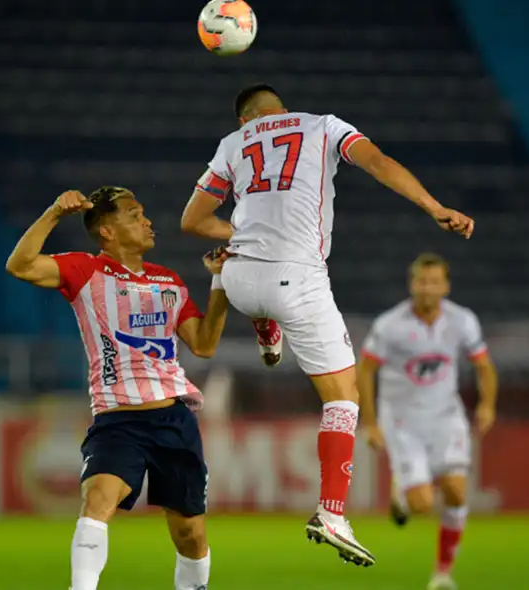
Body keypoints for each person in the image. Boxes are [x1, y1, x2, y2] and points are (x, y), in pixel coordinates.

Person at [180, 83, 476, 567]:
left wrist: (245, 231)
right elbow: (377, 161)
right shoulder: (322, 125)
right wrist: (434, 206)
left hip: (234, 278)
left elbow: (193, 220)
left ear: (244, 121)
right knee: (344, 397)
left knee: (259, 291)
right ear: (282, 108)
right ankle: (332, 513)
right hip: (294, 278)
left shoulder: (233, 145)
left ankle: (265, 329)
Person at [7, 186, 231, 590]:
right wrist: (55, 212)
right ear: (107, 231)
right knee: (97, 501)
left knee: (190, 535)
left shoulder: (169, 280)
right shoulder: (84, 270)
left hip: (173, 419)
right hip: (117, 419)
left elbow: (204, 343)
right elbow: (20, 265)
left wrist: (220, 285)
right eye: (134, 214)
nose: (147, 221)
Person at [358, 253, 499, 590]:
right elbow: (365, 371)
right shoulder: (390, 325)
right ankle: (404, 495)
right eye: (422, 281)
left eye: (435, 281)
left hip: (446, 417)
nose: (428, 288)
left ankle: (442, 572)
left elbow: (484, 366)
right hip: (403, 422)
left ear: (446, 286)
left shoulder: (462, 321)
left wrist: (487, 406)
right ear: (412, 284)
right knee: (422, 505)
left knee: (456, 490)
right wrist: (372, 423)